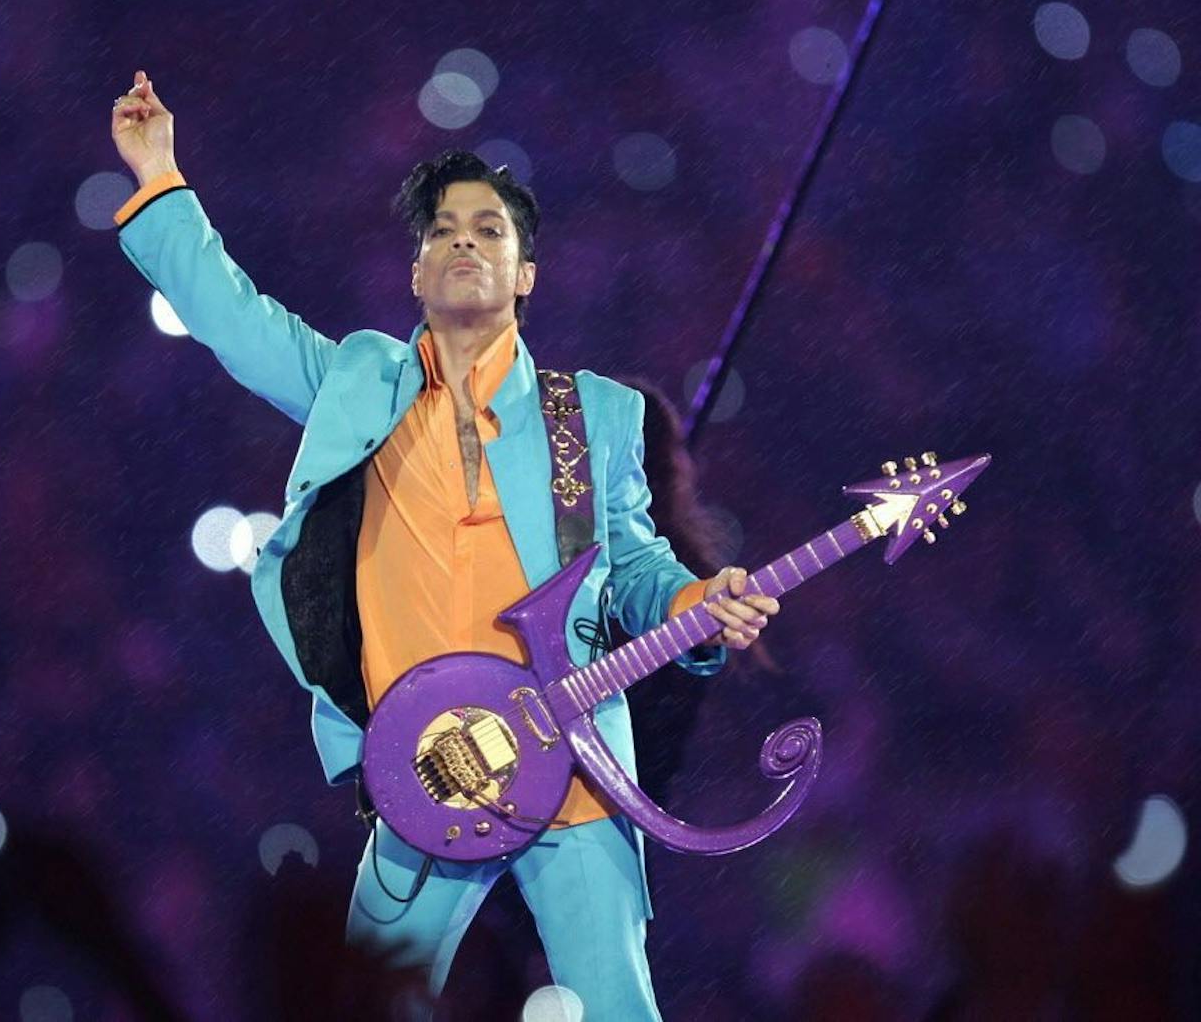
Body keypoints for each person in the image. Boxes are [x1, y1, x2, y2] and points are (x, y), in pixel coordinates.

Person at [109, 69, 780, 1020]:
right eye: (443, 233)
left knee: (619, 1006)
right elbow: (236, 319)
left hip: (574, 755)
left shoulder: (590, 414)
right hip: (430, 762)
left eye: (490, 231)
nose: (464, 243)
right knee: (361, 1005)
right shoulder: (358, 383)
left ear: (526, 273)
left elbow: (631, 566)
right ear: (418, 273)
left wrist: (693, 603)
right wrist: (160, 175)